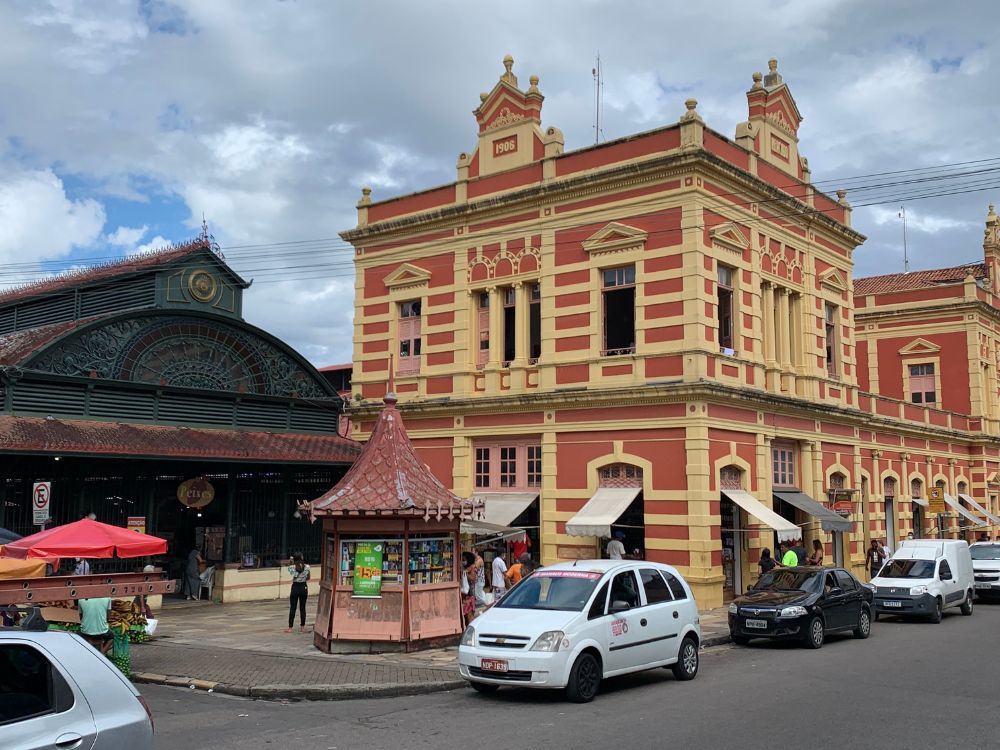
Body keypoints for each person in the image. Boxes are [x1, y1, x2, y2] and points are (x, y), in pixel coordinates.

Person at [286, 553, 310, 633]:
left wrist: (291, 562)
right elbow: (308, 578)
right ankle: (302, 627)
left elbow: (294, 574)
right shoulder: (307, 567)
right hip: (303, 587)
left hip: (295, 587)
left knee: (293, 607)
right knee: (302, 608)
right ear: (301, 557)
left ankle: (290, 628)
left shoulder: (292, 567)